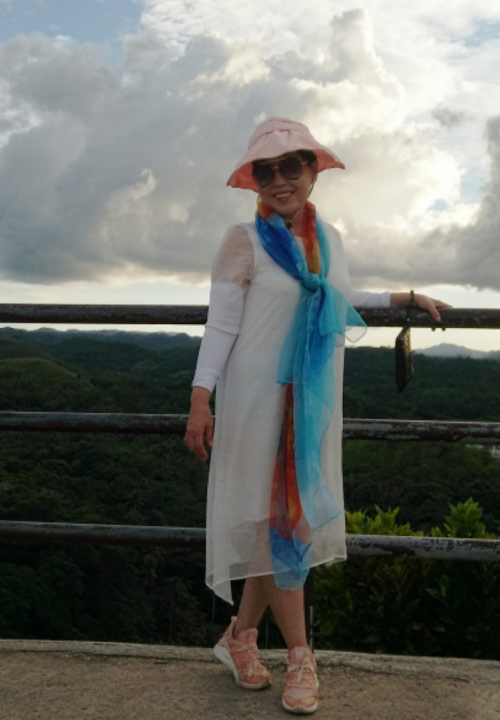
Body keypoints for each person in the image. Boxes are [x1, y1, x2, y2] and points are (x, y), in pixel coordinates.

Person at [184, 117, 448, 715]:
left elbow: (338, 294)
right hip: (256, 402)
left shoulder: (326, 238)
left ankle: (239, 638)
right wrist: (201, 399)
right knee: (284, 524)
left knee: (277, 523)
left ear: (312, 171)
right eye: (266, 170)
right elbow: (220, 326)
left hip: (308, 405)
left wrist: (402, 298)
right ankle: (301, 655)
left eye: (291, 166)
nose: (279, 180)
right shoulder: (242, 241)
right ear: (254, 180)